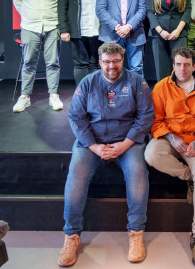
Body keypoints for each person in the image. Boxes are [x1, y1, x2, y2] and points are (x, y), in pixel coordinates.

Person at [59, 42, 154, 266]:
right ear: (100, 62)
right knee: (76, 176)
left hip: (128, 142)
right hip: (92, 143)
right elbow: (76, 118)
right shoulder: (88, 83)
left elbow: (146, 116)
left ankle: (136, 233)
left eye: (116, 61)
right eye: (107, 61)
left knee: (138, 174)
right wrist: (93, 146)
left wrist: (125, 144)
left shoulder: (136, 82)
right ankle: (71, 236)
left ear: (123, 61)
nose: (112, 66)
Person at [145, 47, 195, 267]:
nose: (182, 69)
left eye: (186, 64)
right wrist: (172, 138)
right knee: (151, 155)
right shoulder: (161, 87)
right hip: (170, 139)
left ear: (194, 66)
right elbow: (155, 122)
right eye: (178, 64)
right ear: (173, 66)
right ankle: (188, 177)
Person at [12, 0, 65, 113]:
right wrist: (28, 15)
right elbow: (17, 0)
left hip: (52, 25)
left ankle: (53, 95)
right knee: (28, 62)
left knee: (53, 63)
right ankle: (25, 97)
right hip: (30, 26)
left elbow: (63, 3)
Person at [58, 0, 111, 85]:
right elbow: (62, 7)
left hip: (97, 30)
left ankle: (95, 92)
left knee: (95, 63)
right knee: (80, 64)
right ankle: (82, 93)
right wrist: (64, 29)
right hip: (78, 32)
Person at [96, 0, 147, 76]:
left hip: (134, 34)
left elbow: (142, 10)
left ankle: (137, 95)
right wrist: (118, 27)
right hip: (111, 34)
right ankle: (113, 94)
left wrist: (128, 27)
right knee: (112, 69)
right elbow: (100, 10)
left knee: (137, 69)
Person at [146, 0, 191, 80]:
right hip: (159, 33)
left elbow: (188, 9)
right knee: (162, 69)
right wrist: (160, 31)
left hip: (179, 33)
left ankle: (180, 95)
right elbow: (149, 12)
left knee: (181, 67)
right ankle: (164, 97)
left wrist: (178, 31)